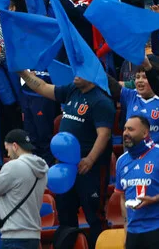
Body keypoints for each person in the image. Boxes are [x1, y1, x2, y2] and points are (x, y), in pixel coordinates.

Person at [19, 70, 114, 246]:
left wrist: (90, 159)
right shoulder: (72, 90)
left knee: (94, 216)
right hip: (65, 168)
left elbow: (104, 134)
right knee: (65, 216)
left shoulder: (101, 100)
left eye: (81, 72)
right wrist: (23, 73)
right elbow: (44, 87)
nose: (75, 75)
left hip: (89, 168)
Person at [0, 129, 49, 248]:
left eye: (7, 149)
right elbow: (18, 189)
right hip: (34, 237)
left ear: (15, 146)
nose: (8, 155)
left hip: (14, 237)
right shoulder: (42, 168)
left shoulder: (13, 166)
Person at [116, 115, 159, 248]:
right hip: (133, 233)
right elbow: (122, 197)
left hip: (156, 228)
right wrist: (126, 228)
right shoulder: (121, 161)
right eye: (124, 129)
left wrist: (155, 199)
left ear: (145, 132)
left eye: (130, 129)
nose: (125, 133)